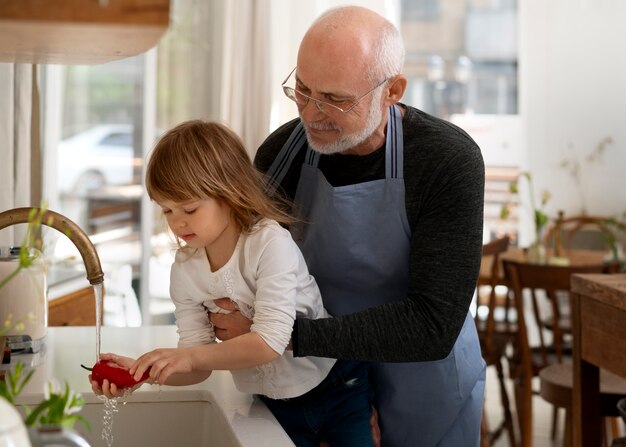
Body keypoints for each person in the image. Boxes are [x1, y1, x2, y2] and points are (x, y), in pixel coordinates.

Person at [208, 6, 487, 447]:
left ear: (392, 90)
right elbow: (249, 283)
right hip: (316, 380)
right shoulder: (282, 155)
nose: (312, 113)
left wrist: (282, 336)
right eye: (302, 89)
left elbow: (432, 324)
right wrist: (334, 402)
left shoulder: (447, 161)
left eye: (336, 99)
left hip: (423, 388)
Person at [90, 120, 376, 447]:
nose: (177, 221)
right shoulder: (185, 271)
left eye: (189, 208)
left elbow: (269, 341)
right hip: (273, 401)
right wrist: (143, 372)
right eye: (167, 210)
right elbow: (197, 368)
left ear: (229, 191)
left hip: (337, 386)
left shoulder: (269, 243)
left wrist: (192, 357)